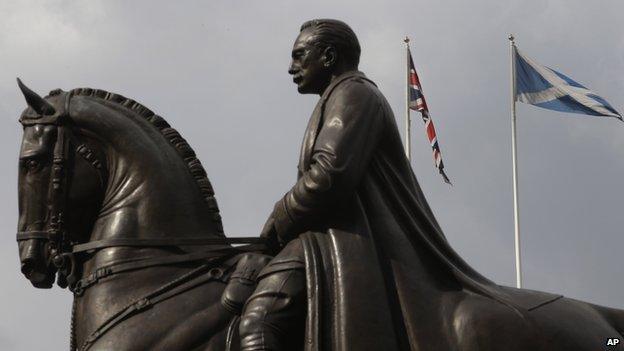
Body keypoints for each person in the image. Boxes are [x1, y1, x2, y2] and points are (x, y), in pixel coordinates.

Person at [239, 19, 539, 351]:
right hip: (327, 238)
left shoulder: (354, 93)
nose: (291, 67)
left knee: (258, 322)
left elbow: (328, 176)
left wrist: (275, 223)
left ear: (327, 56)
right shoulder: (337, 97)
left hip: (348, 242)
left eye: (299, 55)